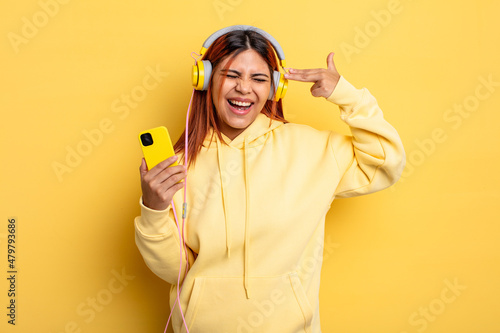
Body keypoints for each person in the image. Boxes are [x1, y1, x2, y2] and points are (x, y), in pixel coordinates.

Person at [134, 25, 405, 333]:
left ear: (275, 87)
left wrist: (347, 95)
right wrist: (154, 208)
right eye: (231, 75)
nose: (244, 88)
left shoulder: (311, 149)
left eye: (258, 78)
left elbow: (386, 161)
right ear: (206, 79)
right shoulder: (179, 165)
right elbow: (175, 270)